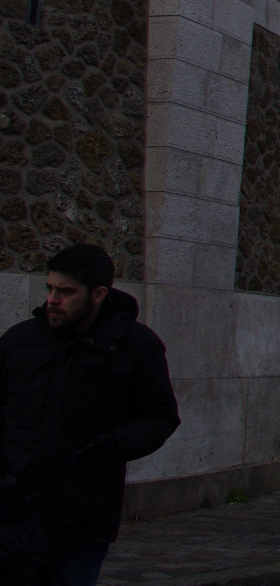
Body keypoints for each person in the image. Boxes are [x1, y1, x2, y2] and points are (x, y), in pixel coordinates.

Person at [0, 244, 180, 586]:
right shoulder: (19, 342)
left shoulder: (136, 346)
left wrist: (113, 445)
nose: (53, 299)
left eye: (66, 292)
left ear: (98, 294)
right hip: (13, 514)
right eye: (50, 288)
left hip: (83, 516)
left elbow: (161, 416)